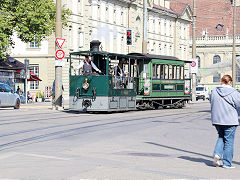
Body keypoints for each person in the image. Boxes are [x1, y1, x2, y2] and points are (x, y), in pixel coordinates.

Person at [210, 75, 240, 169]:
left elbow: (212, 102)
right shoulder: (234, 92)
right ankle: (227, 164)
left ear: (221, 81)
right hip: (230, 120)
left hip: (217, 119)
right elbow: (238, 104)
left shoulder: (214, 91)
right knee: (229, 141)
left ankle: (217, 154)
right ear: (230, 82)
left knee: (221, 137)